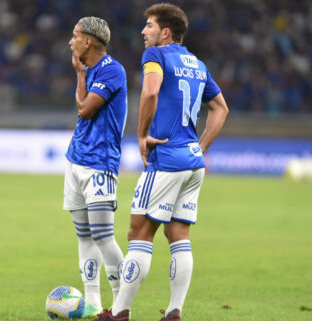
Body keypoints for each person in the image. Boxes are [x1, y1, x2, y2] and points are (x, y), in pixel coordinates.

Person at [93, 3, 229, 321]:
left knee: (139, 232)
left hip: (166, 159)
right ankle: (173, 313)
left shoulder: (156, 56)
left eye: (150, 26)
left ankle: (120, 312)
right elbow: (221, 108)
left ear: (165, 32)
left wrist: (141, 136)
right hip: (193, 163)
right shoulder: (197, 65)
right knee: (178, 234)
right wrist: (200, 147)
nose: (144, 31)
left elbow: (150, 93)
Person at [64, 16, 128, 318]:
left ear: (88, 41)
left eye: (75, 36)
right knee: (84, 235)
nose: (71, 41)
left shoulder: (112, 71)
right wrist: (82, 73)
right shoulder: (91, 71)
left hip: (100, 164)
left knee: (103, 236)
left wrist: (79, 75)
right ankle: (91, 303)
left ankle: (120, 305)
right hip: (76, 159)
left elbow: (86, 110)